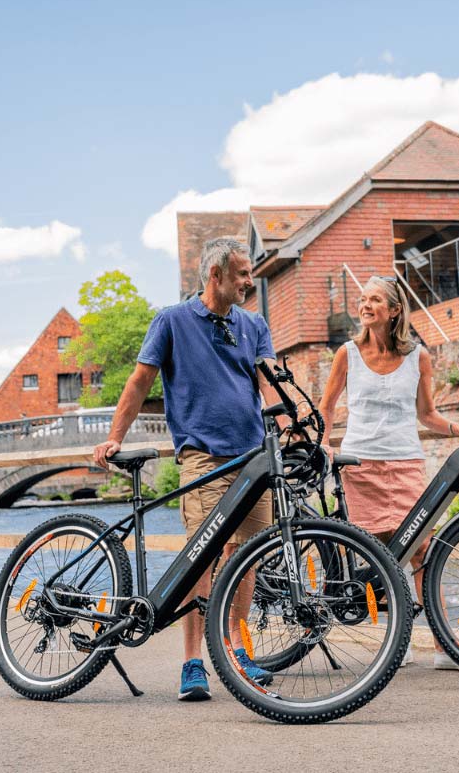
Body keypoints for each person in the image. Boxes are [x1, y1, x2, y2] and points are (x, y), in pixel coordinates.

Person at [93, 237, 281, 702]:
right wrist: (116, 436)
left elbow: (269, 384)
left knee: (248, 557)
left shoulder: (253, 324)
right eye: (241, 273)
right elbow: (140, 381)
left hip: (253, 457)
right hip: (203, 457)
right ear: (214, 275)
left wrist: (287, 427)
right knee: (204, 557)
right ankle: (193, 662)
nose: (248, 281)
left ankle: (238, 653)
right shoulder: (173, 321)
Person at [318, 275, 459, 668]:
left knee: (422, 550)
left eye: (376, 300)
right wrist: (323, 442)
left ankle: (442, 646)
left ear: (395, 310)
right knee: (378, 557)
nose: (366, 306)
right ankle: (394, 645)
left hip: (405, 463)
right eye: (363, 299)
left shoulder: (418, 357)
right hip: (360, 464)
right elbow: (327, 406)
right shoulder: (346, 354)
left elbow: (427, 415)